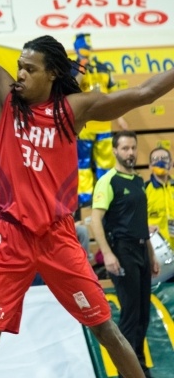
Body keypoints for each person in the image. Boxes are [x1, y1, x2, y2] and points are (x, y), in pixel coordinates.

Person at [0, 0, 174, 377]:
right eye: (19, 66)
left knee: (107, 330)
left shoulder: (72, 110)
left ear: (51, 75)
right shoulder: (4, 98)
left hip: (58, 236)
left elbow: (144, 93)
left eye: (30, 69)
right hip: (10, 235)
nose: (20, 74)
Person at [91, 131, 160, 378]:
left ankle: (138, 367)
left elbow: (141, 221)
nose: (130, 153)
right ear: (114, 151)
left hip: (141, 250)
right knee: (130, 315)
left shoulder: (138, 181)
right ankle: (126, 373)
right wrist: (108, 254)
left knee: (143, 315)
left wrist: (151, 254)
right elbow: (95, 220)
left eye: (133, 148)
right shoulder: (108, 181)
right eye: (125, 148)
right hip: (122, 251)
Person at [72, 33, 127, 207]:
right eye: (83, 48)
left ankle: (106, 195)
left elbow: (114, 96)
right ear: (76, 49)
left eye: (87, 48)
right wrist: (82, 67)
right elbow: (72, 87)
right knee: (83, 163)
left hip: (104, 124)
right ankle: (85, 199)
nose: (86, 51)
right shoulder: (72, 67)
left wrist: (120, 117)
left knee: (106, 163)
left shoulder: (103, 68)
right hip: (84, 126)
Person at [145, 147, 174, 250]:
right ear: (150, 166)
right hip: (156, 250)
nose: (160, 162)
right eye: (155, 159)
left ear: (171, 164)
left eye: (164, 158)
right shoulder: (143, 190)